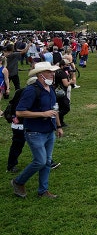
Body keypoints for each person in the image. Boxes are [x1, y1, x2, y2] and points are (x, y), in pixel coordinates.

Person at [11, 62, 63, 198]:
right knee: (40, 161)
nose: (53, 74)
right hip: (35, 132)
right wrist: (43, 114)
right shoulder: (31, 90)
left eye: (53, 71)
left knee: (47, 162)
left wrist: (58, 126)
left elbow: (55, 109)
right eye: (49, 72)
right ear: (41, 75)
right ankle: (18, 182)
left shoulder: (50, 88)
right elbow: (20, 112)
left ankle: (43, 191)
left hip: (49, 131)